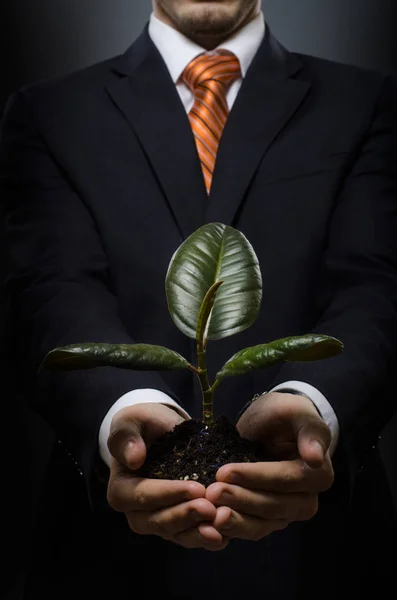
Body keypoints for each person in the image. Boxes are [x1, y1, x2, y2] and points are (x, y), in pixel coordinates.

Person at [1, 0, 397, 598]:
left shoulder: (366, 103)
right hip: (107, 558)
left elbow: (378, 286)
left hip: (320, 556)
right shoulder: (51, 112)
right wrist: (122, 409)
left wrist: (313, 402)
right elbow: (48, 291)